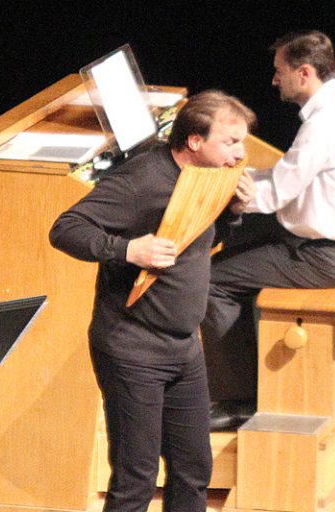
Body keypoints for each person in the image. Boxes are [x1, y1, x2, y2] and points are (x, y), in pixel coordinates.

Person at [49, 90, 256, 512]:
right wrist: (127, 250)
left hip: (184, 348)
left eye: (242, 142)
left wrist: (232, 212)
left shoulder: (207, 177)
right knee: (136, 479)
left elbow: (197, 243)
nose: (240, 153)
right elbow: (66, 228)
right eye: (231, 142)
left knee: (194, 469)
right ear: (195, 141)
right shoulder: (143, 180)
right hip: (134, 350)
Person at [202, 30, 335, 430]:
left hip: (325, 257)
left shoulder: (325, 124)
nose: (274, 80)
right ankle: (232, 383)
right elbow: (285, 176)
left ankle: (238, 400)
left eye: (279, 71)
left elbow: (275, 195)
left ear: (303, 73)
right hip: (327, 247)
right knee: (228, 260)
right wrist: (240, 177)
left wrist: (219, 187)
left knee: (212, 282)